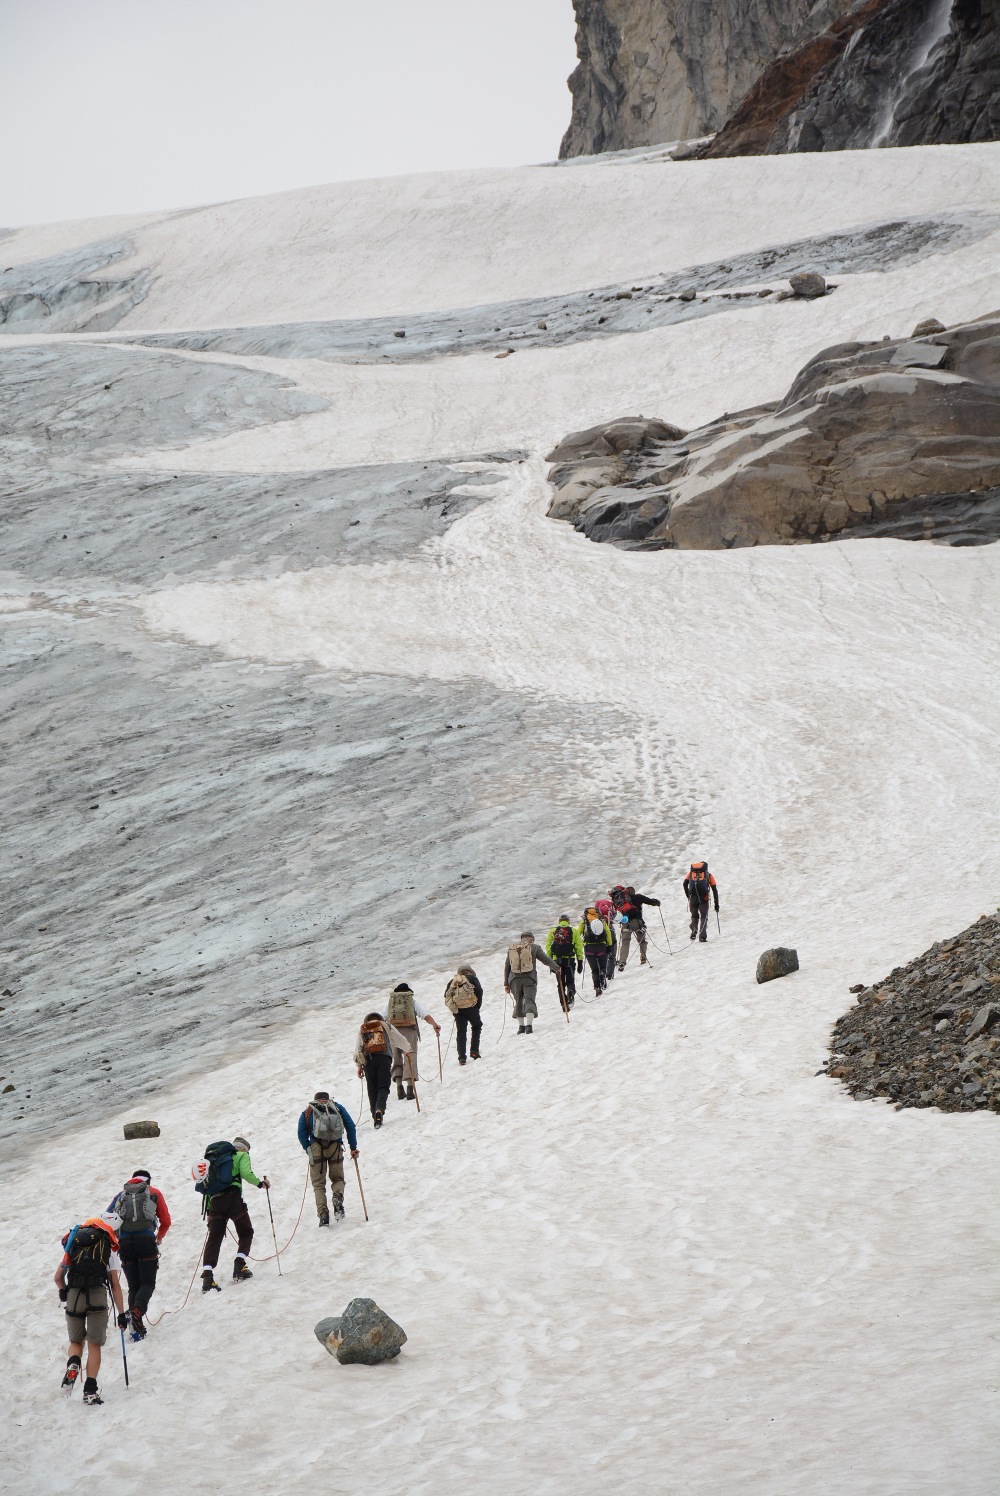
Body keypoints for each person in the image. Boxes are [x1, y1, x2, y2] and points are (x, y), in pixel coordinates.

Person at [54, 1212, 126, 1405]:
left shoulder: (74, 1244)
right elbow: (115, 1285)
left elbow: (58, 1277)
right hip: (97, 1296)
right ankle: (90, 1391)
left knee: (76, 1342)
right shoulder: (107, 1247)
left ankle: (73, 1363)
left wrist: (63, 1292)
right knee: (94, 1344)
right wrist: (121, 1314)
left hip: (74, 1296)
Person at [196, 1136, 270, 1292]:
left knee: (214, 1238)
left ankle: (208, 1277)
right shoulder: (241, 1155)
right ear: (244, 1148)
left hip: (215, 1202)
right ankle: (239, 1265)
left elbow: (209, 1187)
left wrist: (210, 1211)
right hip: (233, 1199)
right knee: (246, 1232)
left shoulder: (216, 1161)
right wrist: (260, 1184)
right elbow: (246, 1173)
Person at [107, 1169, 171, 1339]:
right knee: (147, 1283)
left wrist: (116, 1241)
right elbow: (166, 1221)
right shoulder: (154, 1192)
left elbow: (107, 1219)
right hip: (146, 1240)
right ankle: (137, 1312)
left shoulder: (121, 1195)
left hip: (125, 1244)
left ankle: (134, 1329)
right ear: (147, 1181)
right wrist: (159, 1237)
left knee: (134, 1285)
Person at [297, 1091, 358, 1225]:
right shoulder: (337, 1108)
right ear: (327, 1099)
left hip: (316, 1148)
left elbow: (301, 1132)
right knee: (337, 1178)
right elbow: (350, 1126)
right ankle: (337, 1196)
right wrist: (353, 1147)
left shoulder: (308, 1111)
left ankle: (323, 1214)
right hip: (335, 1147)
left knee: (318, 1184)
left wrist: (308, 1148)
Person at [379, 983, 441, 1100]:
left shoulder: (390, 1003)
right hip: (409, 1032)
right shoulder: (412, 1002)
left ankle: (399, 1088)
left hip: (393, 1032)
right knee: (410, 1058)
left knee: (396, 1058)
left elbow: (381, 1018)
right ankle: (410, 1089)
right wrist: (434, 1024)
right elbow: (425, 1015)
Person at [355, 1011, 405, 1128]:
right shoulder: (386, 1026)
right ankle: (380, 1109)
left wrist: (359, 1066)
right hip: (384, 1058)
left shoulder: (363, 1029)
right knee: (383, 1086)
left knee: (372, 1089)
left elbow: (358, 1048)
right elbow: (400, 1039)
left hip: (368, 1061)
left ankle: (375, 1117)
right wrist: (408, 1050)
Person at [503, 932, 558, 1033]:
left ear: (522, 939)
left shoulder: (513, 948)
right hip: (529, 978)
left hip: (514, 979)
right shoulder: (535, 947)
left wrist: (506, 983)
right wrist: (556, 968)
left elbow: (507, 966)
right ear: (532, 939)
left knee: (518, 1001)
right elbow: (545, 960)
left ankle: (521, 1027)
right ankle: (529, 1026)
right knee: (529, 1000)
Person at [609, 885, 661, 968]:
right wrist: (657, 902)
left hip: (625, 923)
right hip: (637, 922)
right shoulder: (638, 897)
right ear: (633, 892)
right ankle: (643, 958)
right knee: (642, 941)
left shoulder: (619, 902)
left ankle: (622, 962)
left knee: (625, 942)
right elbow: (651, 902)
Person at [444, 965, 484, 1065]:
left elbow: (446, 995)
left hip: (458, 1010)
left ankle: (462, 1058)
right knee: (476, 1026)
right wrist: (477, 1006)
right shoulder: (473, 978)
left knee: (461, 1032)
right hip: (471, 1008)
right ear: (470, 971)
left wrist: (454, 1009)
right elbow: (479, 991)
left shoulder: (453, 981)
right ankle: (474, 1051)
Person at [546, 914, 584, 1009]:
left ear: (559, 921)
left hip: (556, 961)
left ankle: (563, 1003)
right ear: (568, 921)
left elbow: (548, 947)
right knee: (570, 979)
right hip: (569, 959)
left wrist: (550, 961)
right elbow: (578, 946)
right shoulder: (574, 931)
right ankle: (571, 991)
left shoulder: (552, 931)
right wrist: (580, 961)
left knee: (560, 982)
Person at [577, 906, 613, 993]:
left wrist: (581, 946)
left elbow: (578, 934)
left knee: (594, 969)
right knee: (603, 967)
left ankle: (597, 987)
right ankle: (602, 976)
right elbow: (608, 932)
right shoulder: (601, 920)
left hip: (589, 948)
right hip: (601, 947)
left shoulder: (584, 921)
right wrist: (609, 945)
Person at [683, 860, 719, 942]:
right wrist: (716, 904)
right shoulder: (708, 875)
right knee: (704, 916)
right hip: (704, 898)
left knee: (694, 916)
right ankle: (702, 937)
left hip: (693, 898)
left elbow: (684, 883)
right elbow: (714, 890)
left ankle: (694, 928)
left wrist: (688, 895)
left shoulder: (691, 873)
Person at [594, 896, 619, 980]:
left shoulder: (595, 913)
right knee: (612, 953)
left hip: (599, 935)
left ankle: (601, 972)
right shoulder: (610, 910)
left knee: (601, 955)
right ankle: (610, 974)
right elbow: (617, 919)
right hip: (610, 931)